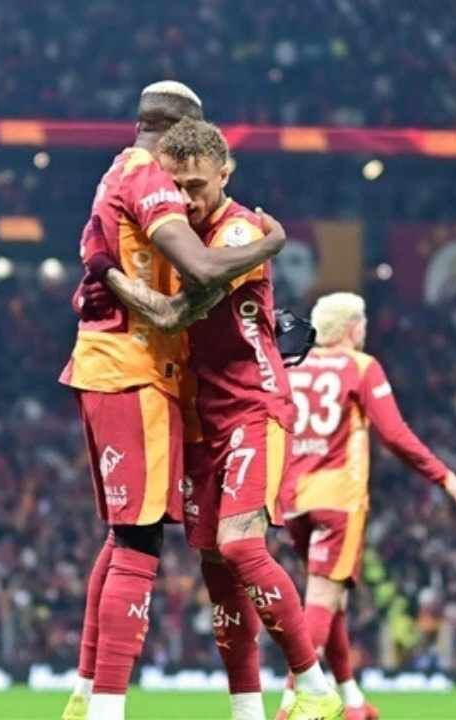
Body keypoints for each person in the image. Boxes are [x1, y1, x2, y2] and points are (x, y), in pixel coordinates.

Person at [58, 81, 286, 720]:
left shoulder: (114, 172)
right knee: (138, 542)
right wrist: (271, 244)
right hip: (134, 370)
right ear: (176, 128)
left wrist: (107, 275)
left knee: (124, 535)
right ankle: (107, 707)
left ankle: (86, 694)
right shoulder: (147, 177)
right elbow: (200, 276)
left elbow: (107, 264)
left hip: (115, 367)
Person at [145, 118, 343, 720]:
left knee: (240, 545)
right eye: (175, 186)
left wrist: (110, 275)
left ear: (225, 174)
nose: (186, 198)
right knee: (216, 568)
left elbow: (193, 294)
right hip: (201, 418)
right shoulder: (179, 230)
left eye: (197, 185)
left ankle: (314, 684)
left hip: (253, 406)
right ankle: (246, 708)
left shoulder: (239, 230)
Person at [275, 292, 456, 720]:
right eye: (361, 322)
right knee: (322, 599)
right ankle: (292, 704)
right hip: (338, 499)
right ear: (351, 327)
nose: (364, 330)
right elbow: (394, 434)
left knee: (333, 601)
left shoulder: (294, 365)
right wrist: (443, 474)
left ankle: (353, 701)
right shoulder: (361, 366)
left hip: (292, 500)